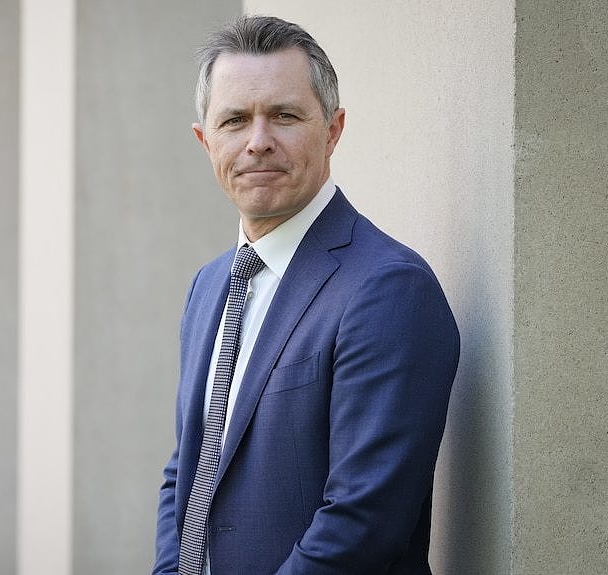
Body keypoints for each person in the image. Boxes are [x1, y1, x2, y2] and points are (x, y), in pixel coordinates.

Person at [154, 15, 460, 575]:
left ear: (333, 129)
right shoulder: (209, 286)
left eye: (285, 116)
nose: (258, 141)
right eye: (235, 120)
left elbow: (362, 521)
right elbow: (188, 471)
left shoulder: (388, 289)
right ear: (205, 140)